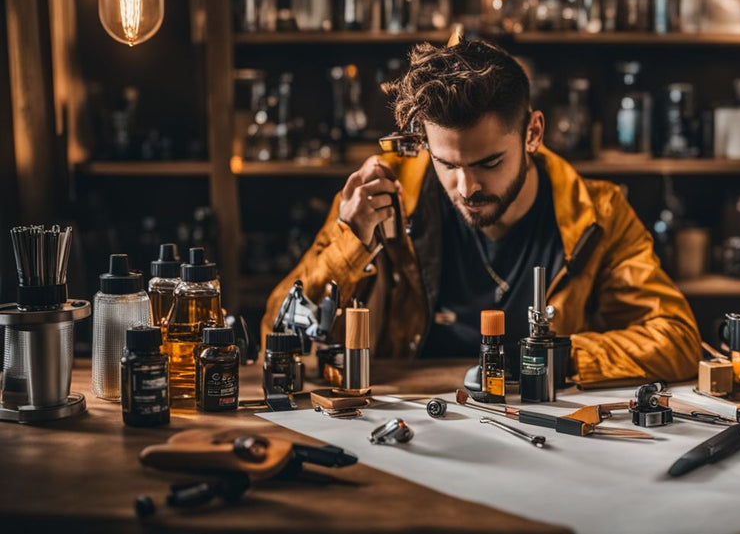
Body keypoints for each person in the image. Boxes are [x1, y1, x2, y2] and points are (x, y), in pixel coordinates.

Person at [262, 39, 701, 386]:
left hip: (541, 419)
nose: (466, 187)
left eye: (489, 163)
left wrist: (547, 358)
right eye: (447, 164)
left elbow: (677, 340)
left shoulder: (598, 212)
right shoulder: (388, 193)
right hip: (414, 417)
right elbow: (275, 337)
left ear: (532, 132)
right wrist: (351, 243)